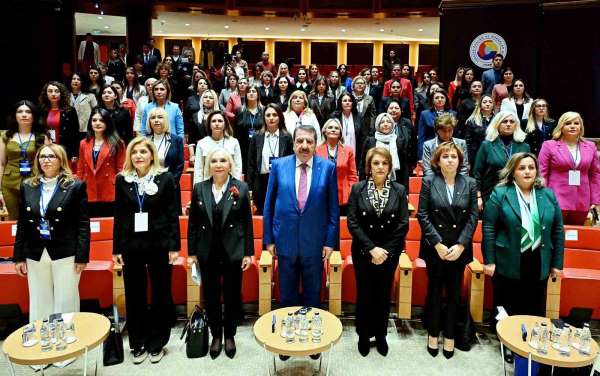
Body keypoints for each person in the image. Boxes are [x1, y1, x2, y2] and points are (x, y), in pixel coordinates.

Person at [113, 137, 180, 364]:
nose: (139, 155)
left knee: (161, 293)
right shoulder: (123, 180)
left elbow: (172, 213)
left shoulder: (165, 178)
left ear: (152, 155)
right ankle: (138, 341)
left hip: (159, 244)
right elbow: (119, 216)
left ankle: (157, 341)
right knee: (134, 294)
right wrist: (117, 249)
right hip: (131, 245)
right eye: (135, 152)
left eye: (144, 151)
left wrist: (174, 246)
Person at [482, 152, 564, 339]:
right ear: (512, 172)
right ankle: (507, 340)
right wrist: (489, 260)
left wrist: (557, 264)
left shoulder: (548, 195)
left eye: (531, 167)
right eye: (521, 168)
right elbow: (489, 227)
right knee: (507, 304)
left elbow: (558, 230)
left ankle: (529, 342)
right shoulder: (501, 194)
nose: (527, 172)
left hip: (538, 258)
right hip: (509, 259)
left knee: (533, 305)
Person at [263, 124, 340, 312]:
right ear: (293, 144)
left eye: (309, 141)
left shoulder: (328, 168)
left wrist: (330, 242)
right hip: (285, 241)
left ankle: (311, 337)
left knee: (313, 297)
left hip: (315, 244)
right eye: (300, 141)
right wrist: (269, 240)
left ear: (315, 145)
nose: (304, 145)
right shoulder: (279, 166)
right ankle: (287, 333)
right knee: (287, 297)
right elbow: (268, 206)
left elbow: (333, 210)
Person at [187, 148, 253, 359]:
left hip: (233, 251)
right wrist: (192, 253)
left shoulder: (240, 188)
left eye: (223, 160)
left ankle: (230, 335)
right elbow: (193, 224)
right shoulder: (199, 188)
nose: (218, 164)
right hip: (207, 252)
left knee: (232, 296)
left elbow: (247, 224)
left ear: (229, 164)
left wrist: (247, 253)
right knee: (212, 296)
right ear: (209, 165)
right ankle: (216, 335)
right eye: (214, 161)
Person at [14, 143, 90, 322]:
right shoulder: (28, 186)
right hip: (35, 252)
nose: (46, 160)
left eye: (51, 156)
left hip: (65, 252)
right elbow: (22, 224)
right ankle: (42, 342)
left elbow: (83, 224)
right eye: (42, 156)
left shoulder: (75, 186)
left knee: (66, 302)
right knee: (39, 302)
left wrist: (82, 256)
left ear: (61, 160)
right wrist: (18, 257)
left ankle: (67, 342)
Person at [417, 142, 478, 359]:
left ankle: (450, 336)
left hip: (459, 249)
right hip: (436, 248)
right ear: (437, 161)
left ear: (460, 161)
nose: (450, 160)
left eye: (454, 156)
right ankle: (433, 334)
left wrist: (461, 244)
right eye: (446, 156)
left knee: (454, 294)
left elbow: (473, 217)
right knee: (434, 292)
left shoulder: (470, 183)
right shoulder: (428, 181)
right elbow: (422, 215)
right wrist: (437, 244)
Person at [347, 147, 408, 357]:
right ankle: (364, 335)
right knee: (365, 294)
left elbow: (403, 224)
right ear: (369, 167)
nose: (380, 167)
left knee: (383, 295)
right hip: (364, 252)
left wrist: (385, 251)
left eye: (384, 163)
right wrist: (372, 249)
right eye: (376, 163)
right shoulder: (358, 189)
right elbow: (353, 223)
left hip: (389, 254)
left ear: (390, 167)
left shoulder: (399, 190)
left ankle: (381, 335)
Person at [538, 112, 600, 225]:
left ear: (581, 127)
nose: (572, 126)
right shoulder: (549, 145)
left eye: (576, 123)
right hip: (556, 199)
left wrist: (596, 200)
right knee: (556, 237)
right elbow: (542, 173)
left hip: (582, 201)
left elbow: (595, 175)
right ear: (561, 126)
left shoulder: (590, 146)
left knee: (576, 237)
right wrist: (543, 197)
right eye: (568, 123)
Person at [0, 101, 48, 220]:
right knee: (12, 219)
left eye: (28, 112)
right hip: (9, 184)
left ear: (34, 116)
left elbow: (49, 164)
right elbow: (1, 164)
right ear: (15, 115)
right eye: (20, 111)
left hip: (35, 182)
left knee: (34, 219)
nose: (24, 115)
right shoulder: (5, 136)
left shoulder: (42, 137)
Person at [473, 111, 530, 206]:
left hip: (517, 195)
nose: (508, 124)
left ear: (516, 125)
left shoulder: (525, 147)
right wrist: (478, 197)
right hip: (490, 195)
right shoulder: (486, 145)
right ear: (497, 124)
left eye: (512, 122)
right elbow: (477, 173)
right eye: (504, 121)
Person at [77, 108, 125, 218]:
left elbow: (121, 169)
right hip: (88, 189)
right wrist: (78, 189)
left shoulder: (117, 143)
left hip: (109, 190)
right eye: (94, 120)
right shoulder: (83, 143)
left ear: (108, 122)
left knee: (108, 227)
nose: (97, 123)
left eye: (101, 120)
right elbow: (80, 169)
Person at [246, 104, 294, 215]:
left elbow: (291, 163)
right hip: (261, 182)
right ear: (264, 118)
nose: (271, 118)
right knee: (263, 214)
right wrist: (250, 187)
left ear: (280, 117)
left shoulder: (287, 137)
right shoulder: (256, 136)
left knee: (279, 214)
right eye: (268, 115)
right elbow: (251, 164)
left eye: (274, 115)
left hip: (280, 181)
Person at [316, 119, 358, 214]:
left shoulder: (348, 150)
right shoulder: (316, 150)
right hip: (322, 194)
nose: (333, 130)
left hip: (343, 195)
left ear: (340, 133)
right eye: (330, 127)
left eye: (336, 128)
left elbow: (352, 175)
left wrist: (350, 191)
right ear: (324, 132)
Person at [146, 107, 184, 211]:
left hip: (170, 187)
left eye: (160, 117)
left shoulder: (177, 140)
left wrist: (169, 184)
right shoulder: (144, 141)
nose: (156, 120)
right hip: (147, 187)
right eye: (153, 118)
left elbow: (179, 166)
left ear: (166, 120)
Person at [193, 111, 242, 184]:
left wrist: (236, 186)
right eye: (213, 121)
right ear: (209, 124)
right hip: (208, 186)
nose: (217, 124)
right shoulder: (202, 143)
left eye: (220, 121)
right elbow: (198, 170)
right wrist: (198, 191)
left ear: (225, 124)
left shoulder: (234, 142)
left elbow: (238, 168)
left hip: (229, 186)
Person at [360, 113, 406, 186]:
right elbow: (363, 164)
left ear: (393, 124)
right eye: (382, 122)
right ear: (377, 125)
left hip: (396, 182)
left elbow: (404, 166)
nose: (385, 124)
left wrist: (405, 188)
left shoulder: (399, 141)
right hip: (372, 181)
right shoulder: (370, 141)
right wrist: (362, 185)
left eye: (388, 122)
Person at [39, 81, 80, 159]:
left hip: (65, 149)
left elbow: (75, 133)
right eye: (50, 91)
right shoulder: (42, 110)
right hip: (47, 148)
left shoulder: (70, 110)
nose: (53, 94)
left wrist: (75, 153)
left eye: (56, 91)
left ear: (61, 94)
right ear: (46, 94)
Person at [417, 89, 456, 162]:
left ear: (446, 99)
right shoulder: (425, 114)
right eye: (437, 98)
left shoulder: (453, 114)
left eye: (442, 97)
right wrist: (421, 156)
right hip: (431, 149)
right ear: (432, 100)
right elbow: (421, 137)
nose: (440, 99)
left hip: (449, 149)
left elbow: (456, 135)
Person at [234, 85, 263, 174]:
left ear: (258, 95)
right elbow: (236, 132)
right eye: (249, 92)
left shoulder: (264, 110)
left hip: (260, 147)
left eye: (254, 91)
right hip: (244, 147)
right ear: (245, 95)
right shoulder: (239, 110)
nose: (251, 93)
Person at [387, 100, 417, 186]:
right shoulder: (382, 122)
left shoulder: (407, 123)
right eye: (391, 108)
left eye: (396, 108)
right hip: (387, 161)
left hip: (404, 162)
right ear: (387, 110)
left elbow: (414, 143)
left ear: (401, 110)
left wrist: (413, 163)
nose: (393, 110)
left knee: (402, 189)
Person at [187, 90, 220, 162]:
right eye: (205, 97)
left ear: (215, 100)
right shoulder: (195, 116)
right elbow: (191, 139)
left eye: (211, 98)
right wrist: (192, 156)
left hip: (217, 152)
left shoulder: (220, 116)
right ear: (202, 99)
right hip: (199, 152)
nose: (208, 99)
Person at [464, 94, 495, 167]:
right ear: (480, 105)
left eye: (490, 102)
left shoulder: (498, 120)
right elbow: (468, 142)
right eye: (485, 102)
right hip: (476, 154)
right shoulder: (472, 121)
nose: (488, 104)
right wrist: (468, 160)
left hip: (493, 154)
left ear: (493, 105)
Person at [68, 72, 98, 138]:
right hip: (69, 130)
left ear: (82, 82)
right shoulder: (65, 97)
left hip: (85, 129)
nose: (76, 81)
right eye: (73, 79)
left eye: (78, 79)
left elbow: (96, 112)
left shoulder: (90, 96)